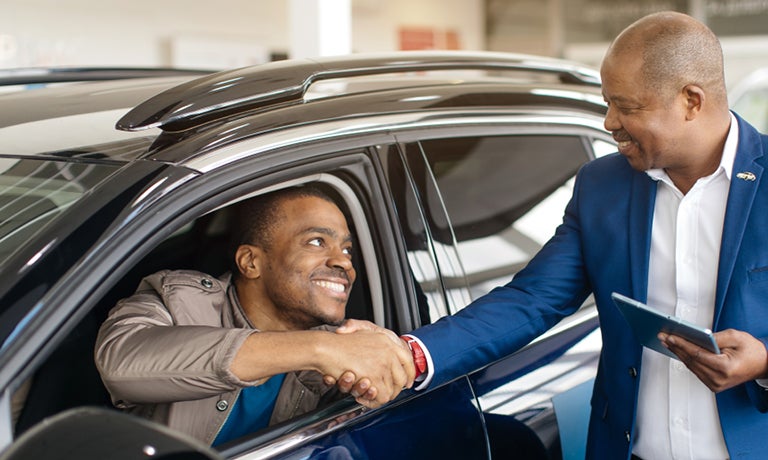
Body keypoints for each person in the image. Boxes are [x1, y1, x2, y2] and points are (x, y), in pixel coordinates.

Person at [340, 11, 768, 460]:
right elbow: (531, 299)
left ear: (691, 101)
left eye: (627, 106)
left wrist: (763, 361)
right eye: (606, 103)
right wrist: (411, 356)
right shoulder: (603, 186)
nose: (609, 122)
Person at [95, 185, 415, 446]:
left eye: (347, 250)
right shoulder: (176, 300)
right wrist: (319, 348)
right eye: (317, 242)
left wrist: (376, 381)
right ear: (250, 262)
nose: (344, 263)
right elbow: (120, 363)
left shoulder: (343, 350)